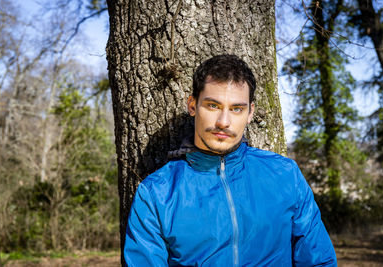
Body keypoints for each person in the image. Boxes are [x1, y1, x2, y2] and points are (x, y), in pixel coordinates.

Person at [124, 54, 337, 266]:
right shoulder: (156, 194)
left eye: (236, 109)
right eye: (213, 106)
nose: (223, 122)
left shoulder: (285, 174)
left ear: (250, 112)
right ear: (192, 105)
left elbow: (319, 261)